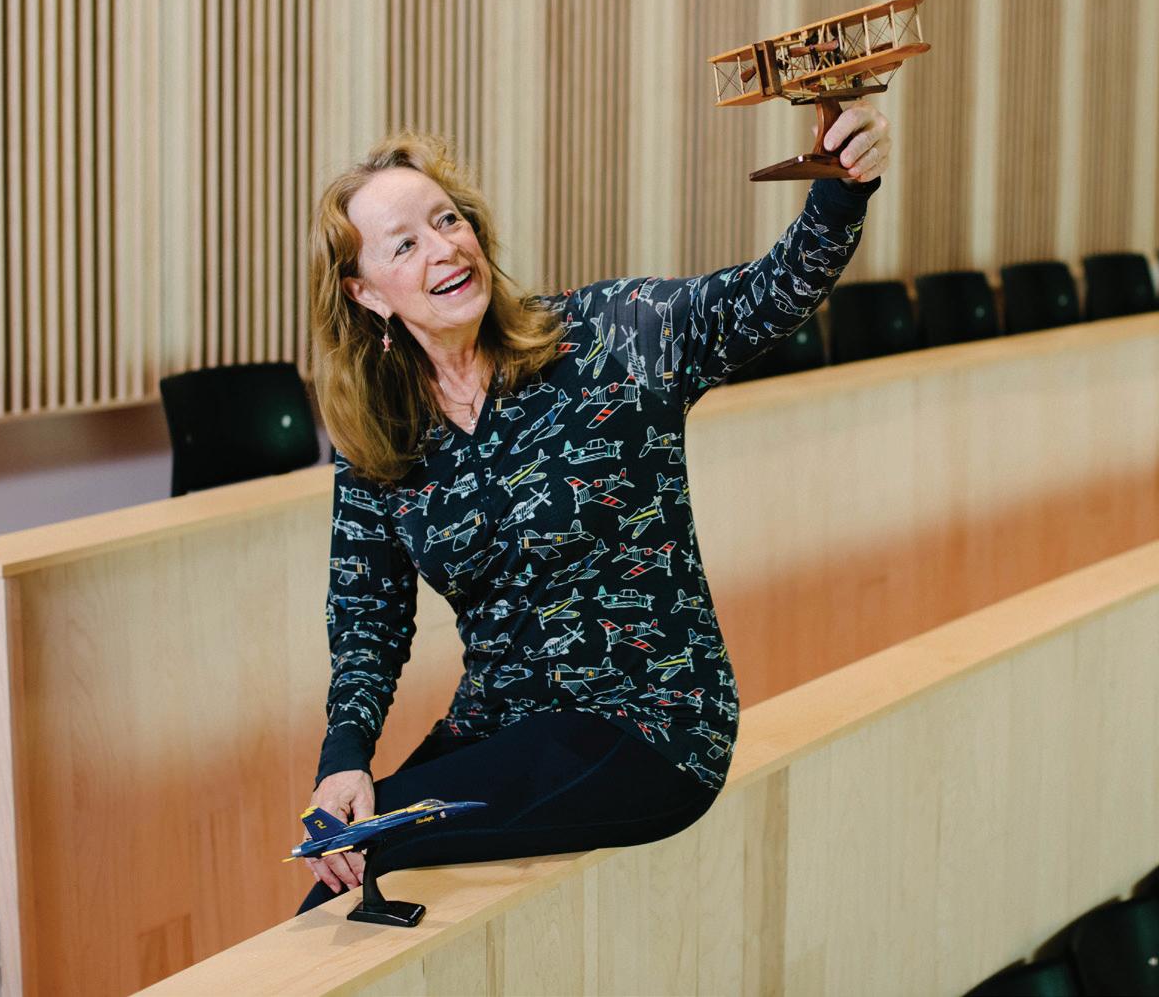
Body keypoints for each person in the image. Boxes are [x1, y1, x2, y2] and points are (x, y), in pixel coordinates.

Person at [297, 103, 892, 912]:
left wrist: (841, 188)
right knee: (333, 882)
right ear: (365, 292)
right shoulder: (378, 434)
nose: (444, 247)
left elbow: (766, 295)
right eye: (405, 244)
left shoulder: (613, 334)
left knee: (381, 851)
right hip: (502, 724)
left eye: (447, 219)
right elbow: (367, 613)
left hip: (652, 721)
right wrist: (344, 755)